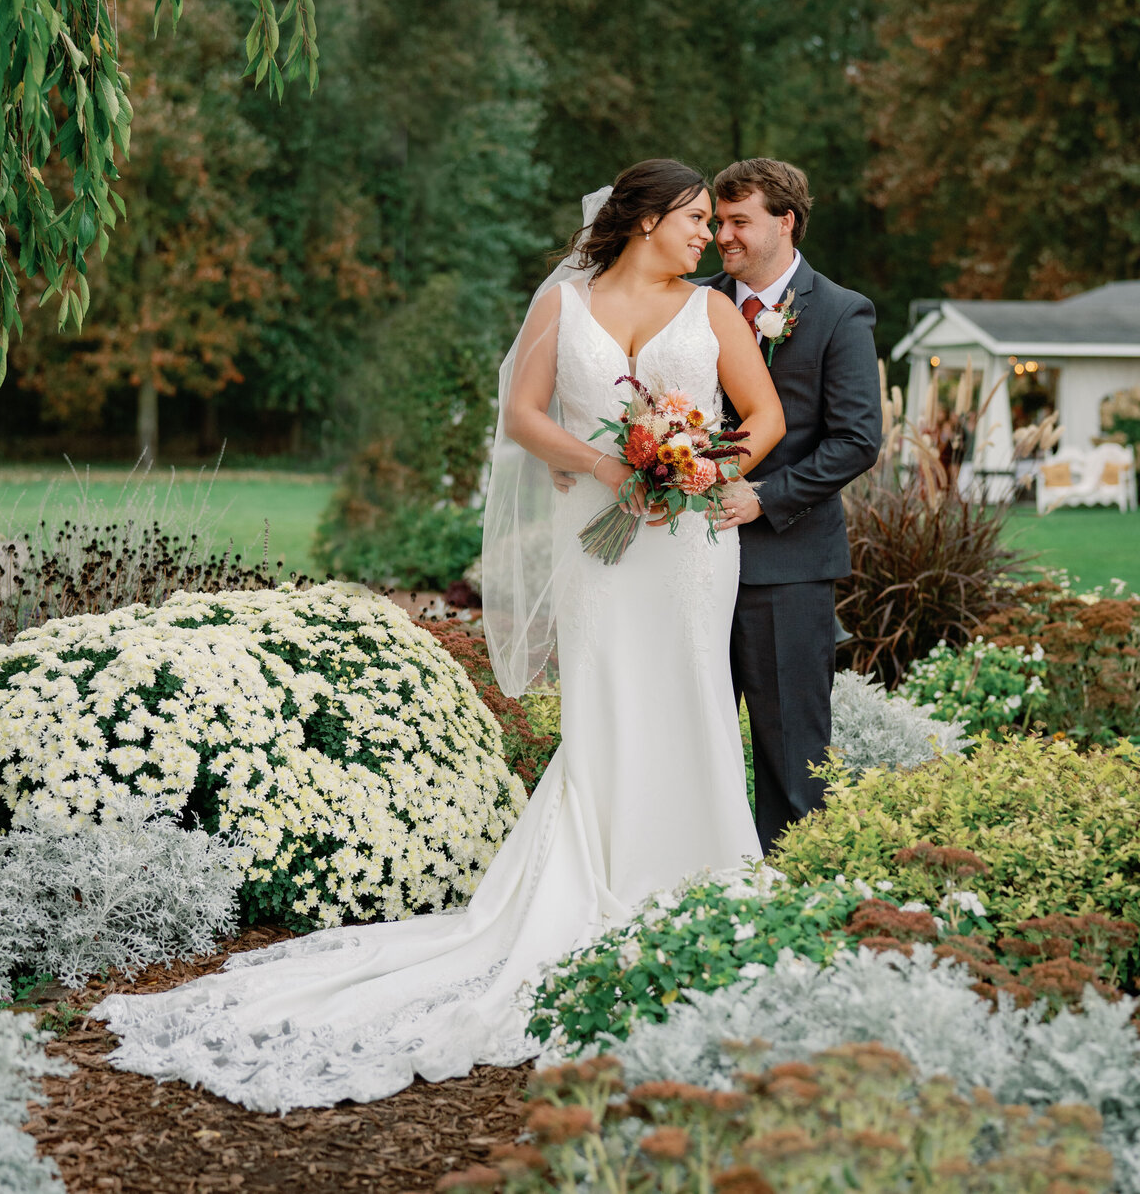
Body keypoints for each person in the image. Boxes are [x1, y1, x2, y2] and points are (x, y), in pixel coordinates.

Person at [93, 161, 785, 1111]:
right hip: (597, 536)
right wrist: (610, 463)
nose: (710, 233)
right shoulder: (566, 302)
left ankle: (701, 866)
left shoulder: (712, 314)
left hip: (690, 548)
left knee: (691, 692)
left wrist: (695, 470)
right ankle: (599, 870)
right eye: (696, 218)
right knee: (607, 696)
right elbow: (522, 413)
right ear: (644, 218)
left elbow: (766, 417)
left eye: (713, 220)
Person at [694, 159, 882, 854]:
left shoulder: (838, 310)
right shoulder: (696, 305)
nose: (723, 235)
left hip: (790, 567)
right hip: (691, 561)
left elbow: (858, 439)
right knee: (694, 742)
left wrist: (764, 497)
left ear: (785, 221)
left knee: (792, 756)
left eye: (738, 220)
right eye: (718, 221)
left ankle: (791, 896)